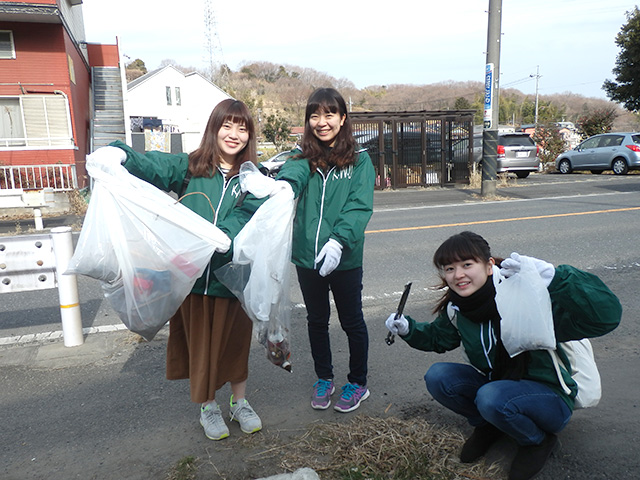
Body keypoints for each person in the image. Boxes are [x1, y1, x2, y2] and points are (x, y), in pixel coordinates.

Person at [88, 99, 265, 441]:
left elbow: (247, 215)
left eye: (242, 128)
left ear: (249, 136)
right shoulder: (190, 167)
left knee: (235, 345)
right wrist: (119, 152)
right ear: (214, 128)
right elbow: (151, 164)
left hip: (234, 280)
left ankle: (240, 402)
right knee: (203, 347)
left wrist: (223, 234)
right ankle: (208, 406)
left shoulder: (253, 179)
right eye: (227, 126)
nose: (234, 134)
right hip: (193, 279)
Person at [385, 231, 622, 480]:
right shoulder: (459, 308)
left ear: (488, 266)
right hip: (499, 389)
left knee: (491, 396)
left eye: (467, 264)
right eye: (450, 268)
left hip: (550, 399)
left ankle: (537, 441)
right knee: (438, 376)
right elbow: (438, 338)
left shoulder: (527, 298)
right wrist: (409, 329)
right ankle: (488, 425)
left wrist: (557, 278)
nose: (458, 275)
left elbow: (606, 317)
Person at [254, 87, 376, 412]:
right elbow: (293, 174)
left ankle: (358, 383)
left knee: (352, 321)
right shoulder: (302, 157)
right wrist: (284, 185)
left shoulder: (360, 161)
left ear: (343, 117)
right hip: (308, 257)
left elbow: (359, 206)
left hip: (345, 256)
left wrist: (338, 241)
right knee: (317, 320)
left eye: (329, 114)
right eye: (315, 115)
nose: (322, 122)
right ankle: (324, 378)